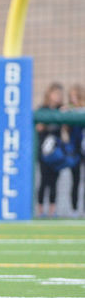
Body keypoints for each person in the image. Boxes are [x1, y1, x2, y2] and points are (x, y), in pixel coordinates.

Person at [36, 82, 64, 218]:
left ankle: (53, 210)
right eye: (55, 93)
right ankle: (40, 209)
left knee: (54, 181)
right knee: (43, 180)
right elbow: (39, 127)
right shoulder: (42, 109)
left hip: (57, 152)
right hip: (44, 151)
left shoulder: (62, 109)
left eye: (59, 94)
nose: (57, 97)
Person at [66, 84, 85, 216]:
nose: (72, 99)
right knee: (75, 180)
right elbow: (66, 131)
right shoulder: (68, 111)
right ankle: (74, 209)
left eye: (75, 96)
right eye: (71, 97)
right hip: (74, 149)